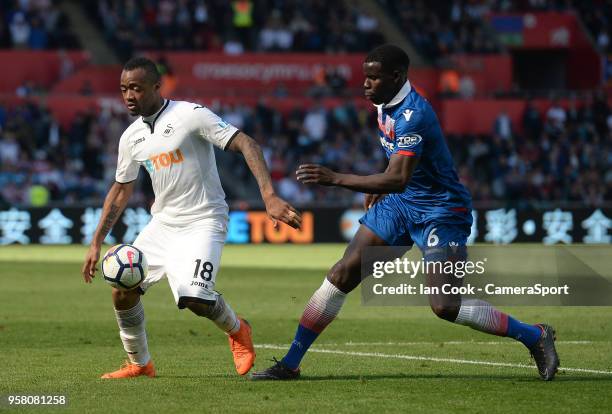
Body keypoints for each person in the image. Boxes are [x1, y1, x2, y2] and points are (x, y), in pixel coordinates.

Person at [251, 44, 559, 381]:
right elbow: (399, 169)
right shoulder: (384, 103)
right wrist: (379, 187)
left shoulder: (414, 114)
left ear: (396, 76)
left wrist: (337, 178)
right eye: (365, 77)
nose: (365, 84)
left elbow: (398, 176)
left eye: (373, 78)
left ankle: (534, 335)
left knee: (445, 306)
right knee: (343, 273)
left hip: (441, 211)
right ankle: (290, 363)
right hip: (400, 205)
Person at [81, 57, 302, 379]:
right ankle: (140, 364)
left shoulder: (190, 115)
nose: (129, 95)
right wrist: (96, 242)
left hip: (204, 220)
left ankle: (238, 329)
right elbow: (120, 191)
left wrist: (268, 195)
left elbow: (246, 143)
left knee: (195, 298)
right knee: (122, 290)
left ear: (157, 87)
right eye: (124, 89)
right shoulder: (131, 138)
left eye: (136, 88)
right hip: (163, 225)